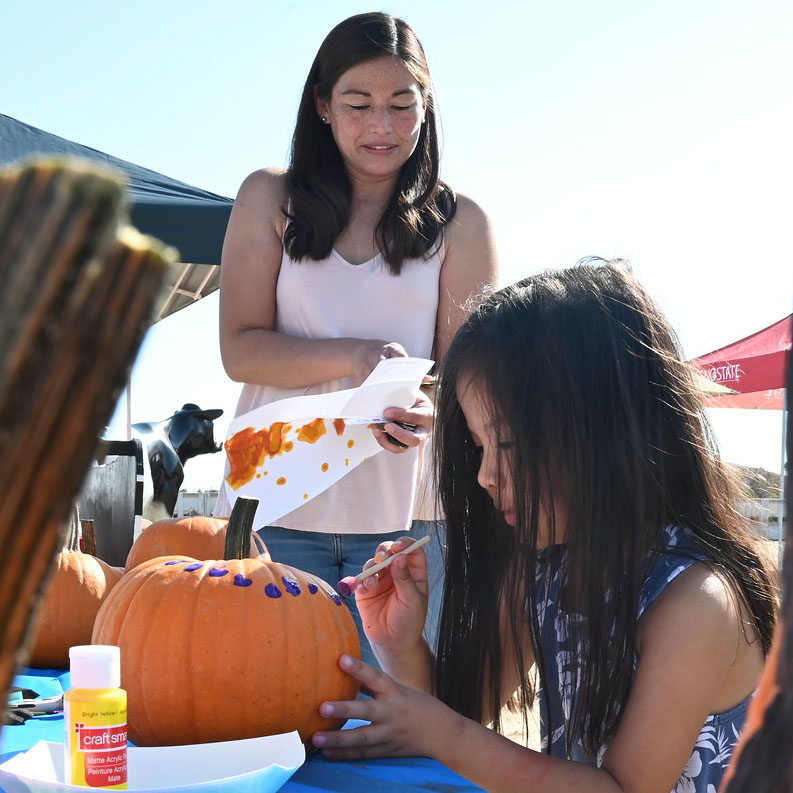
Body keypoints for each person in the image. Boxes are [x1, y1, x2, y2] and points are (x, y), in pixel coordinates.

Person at [310, 259, 779, 793]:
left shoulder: (696, 601)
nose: (485, 476)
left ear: (607, 427)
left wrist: (445, 734)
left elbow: (621, 789)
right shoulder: (544, 569)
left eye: (506, 443)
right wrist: (399, 643)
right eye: (479, 447)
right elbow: (457, 714)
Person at [214, 12, 498, 665]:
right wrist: (359, 356)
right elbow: (240, 348)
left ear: (426, 109)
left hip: (409, 524)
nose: (382, 126)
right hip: (273, 513)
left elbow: (465, 372)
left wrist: (432, 407)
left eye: (403, 105)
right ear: (321, 106)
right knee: (264, 712)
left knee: (400, 728)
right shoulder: (266, 197)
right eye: (359, 104)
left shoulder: (464, 222)